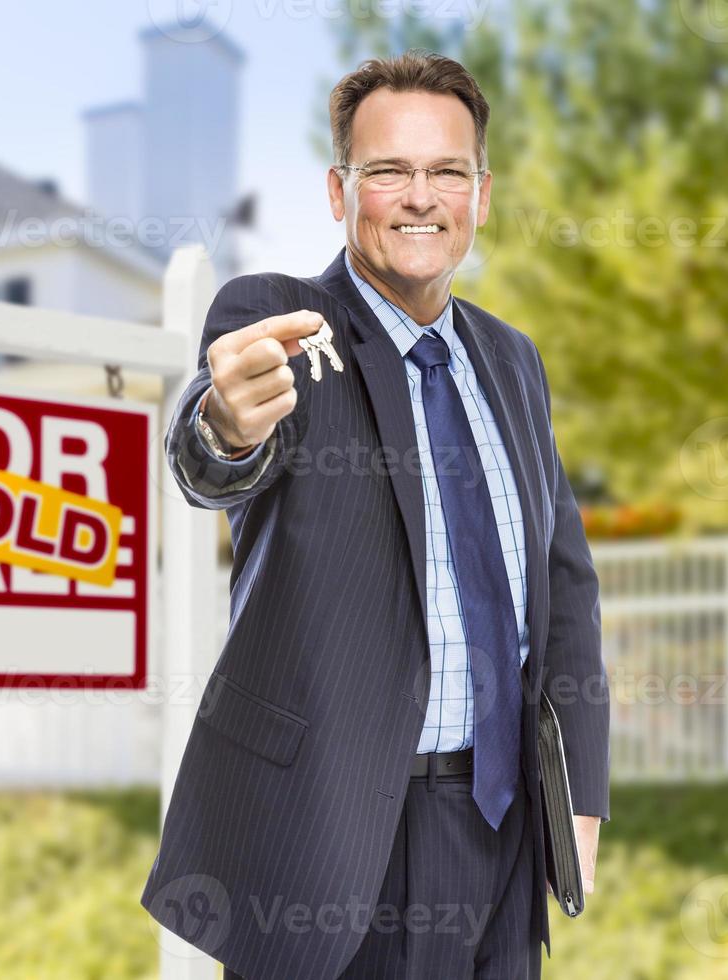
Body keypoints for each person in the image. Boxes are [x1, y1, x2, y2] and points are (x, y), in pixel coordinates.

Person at [141, 50, 609, 979]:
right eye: (388, 170)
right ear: (339, 188)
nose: (419, 198)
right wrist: (225, 423)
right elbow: (211, 456)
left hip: (503, 831)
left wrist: (579, 799)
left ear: (481, 193)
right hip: (335, 841)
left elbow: (565, 588)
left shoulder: (513, 360)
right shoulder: (281, 318)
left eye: (447, 172)